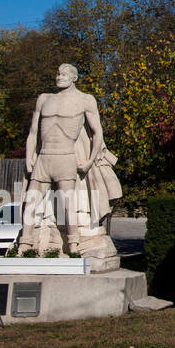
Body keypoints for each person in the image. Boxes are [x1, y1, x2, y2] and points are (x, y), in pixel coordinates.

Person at [18, 64, 103, 254]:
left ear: (74, 78)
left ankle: (73, 244)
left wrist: (89, 160)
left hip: (66, 156)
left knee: (68, 203)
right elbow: (32, 132)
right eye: (58, 73)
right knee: (31, 200)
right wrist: (28, 157)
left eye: (64, 74)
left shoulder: (85, 100)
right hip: (43, 157)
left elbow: (98, 133)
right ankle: (25, 242)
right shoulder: (44, 99)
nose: (59, 77)